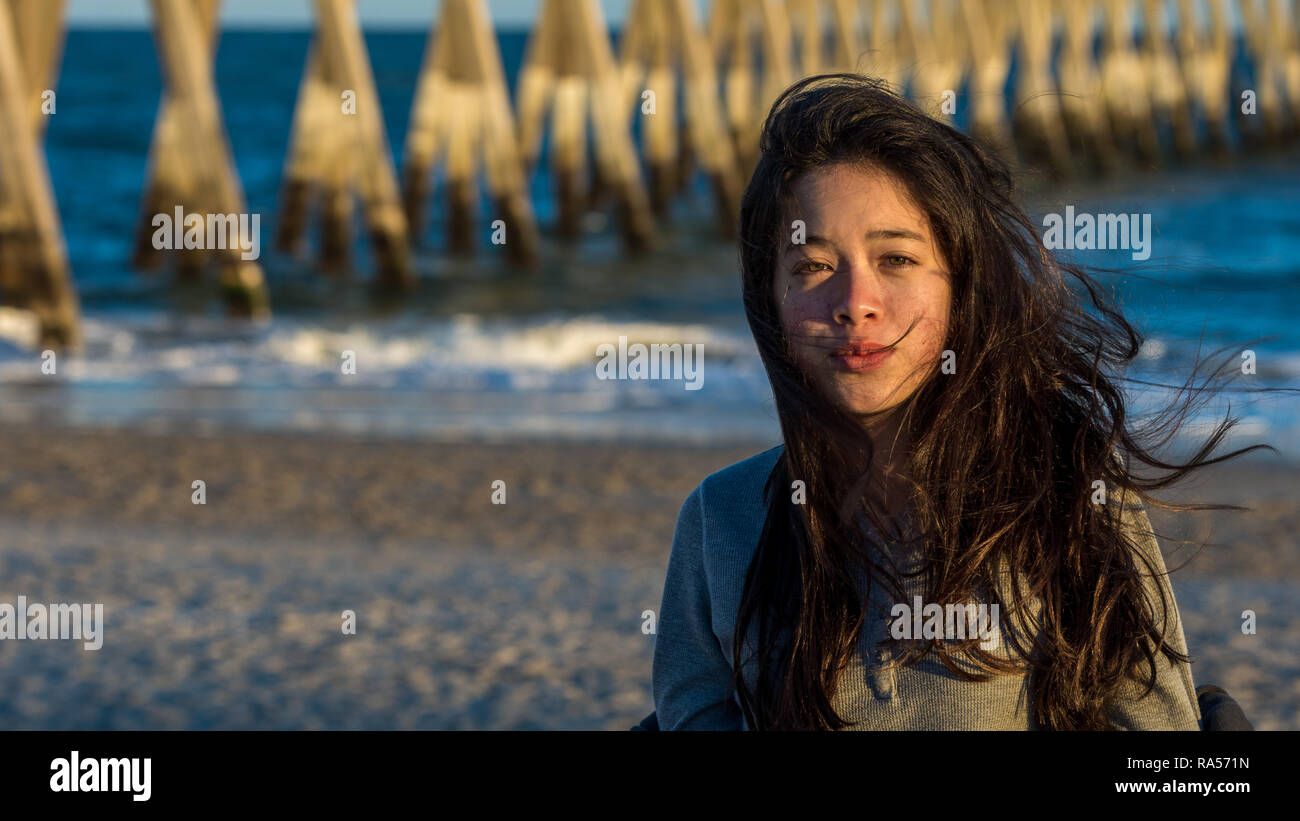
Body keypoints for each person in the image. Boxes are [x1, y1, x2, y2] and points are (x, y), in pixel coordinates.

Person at [651, 74, 1263, 731]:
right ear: (770, 300)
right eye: (812, 266)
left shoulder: (1067, 497)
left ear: (960, 287)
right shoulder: (723, 517)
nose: (856, 300)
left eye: (896, 258)